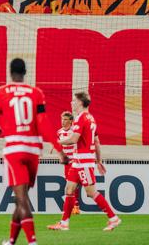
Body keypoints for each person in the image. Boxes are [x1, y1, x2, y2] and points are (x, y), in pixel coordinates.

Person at [0, 58, 45, 245]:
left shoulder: (1, 92)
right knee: (21, 199)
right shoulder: (36, 92)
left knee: (22, 199)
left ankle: (32, 242)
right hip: (33, 150)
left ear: (10, 73)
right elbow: (43, 122)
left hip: (15, 149)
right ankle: (11, 241)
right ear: (25, 72)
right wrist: (59, 150)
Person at [48, 93, 120, 232]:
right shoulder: (91, 118)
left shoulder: (81, 118)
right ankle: (64, 223)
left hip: (83, 161)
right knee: (69, 190)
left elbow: (74, 139)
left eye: (74, 100)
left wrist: (57, 142)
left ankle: (113, 218)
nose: (72, 102)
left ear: (80, 102)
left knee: (91, 192)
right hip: (78, 161)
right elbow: (97, 142)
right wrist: (98, 161)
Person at [50, 111, 82, 226]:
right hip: (67, 162)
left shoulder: (74, 131)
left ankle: (75, 206)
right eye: (62, 119)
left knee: (74, 184)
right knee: (70, 184)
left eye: (65, 119)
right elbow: (57, 144)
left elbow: (76, 142)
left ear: (71, 121)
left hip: (75, 160)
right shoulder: (59, 132)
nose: (63, 121)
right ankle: (75, 206)